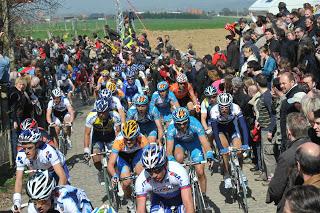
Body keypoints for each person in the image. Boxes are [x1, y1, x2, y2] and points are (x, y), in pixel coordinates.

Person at [12, 129, 69, 212]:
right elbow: (18, 180)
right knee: (38, 198)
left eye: (30, 148)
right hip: (40, 171)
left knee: (61, 200)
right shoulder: (21, 156)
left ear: (37, 144)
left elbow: (62, 177)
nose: (26, 152)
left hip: (55, 170)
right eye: (24, 148)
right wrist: (17, 202)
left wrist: (57, 199)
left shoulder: (47, 152)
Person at [166, 107, 214, 204]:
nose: (182, 126)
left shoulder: (195, 123)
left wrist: (209, 153)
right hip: (180, 144)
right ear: (175, 123)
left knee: (200, 172)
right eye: (179, 124)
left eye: (185, 123)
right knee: (178, 158)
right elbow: (169, 151)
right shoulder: (171, 128)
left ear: (188, 120)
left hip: (194, 144)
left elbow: (204, 142)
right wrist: (171, 161)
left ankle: (203, 196)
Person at [267, 113, 310, 212]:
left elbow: (275, 191)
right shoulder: (314, 148)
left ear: (289, 132)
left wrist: (274, 180)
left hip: (292, 205)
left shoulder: (287, 156)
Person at [135, 144, 194, 213]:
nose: (153, 175)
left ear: (165, 165)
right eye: (149, 171)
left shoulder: (178, 171)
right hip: (159, 200)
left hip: (180, 198)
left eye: (157, 170)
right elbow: (140, 210)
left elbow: (188, 204)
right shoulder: (141, 180)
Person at [210, 93, 250, 189]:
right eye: (222, 107)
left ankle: (240, 173)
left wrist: (246, 144)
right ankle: (226, 174)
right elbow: (215, 132)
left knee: (239, 150)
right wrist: (220, 148)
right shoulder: (214, 111)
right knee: (225, 150)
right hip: (220, 130)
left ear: (230, 105)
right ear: (218, 105)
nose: (224, 109)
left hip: (232, 128)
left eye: (226, 107)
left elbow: (243, 126)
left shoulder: (235, 108)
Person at [107, 120, 148, 211]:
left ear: (137, 136)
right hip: (123, 158)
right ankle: (130, 201)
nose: (128, 141)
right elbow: (110, 164)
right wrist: (114, 175)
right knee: (126, 181)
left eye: (131, 139)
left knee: (141, 172)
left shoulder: (142, 139)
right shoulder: (119, 141)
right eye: (126, 139)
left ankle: (147, 196)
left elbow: (148, 158)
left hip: (137, 155)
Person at [83, 98, 121, 184]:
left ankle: (116, 175)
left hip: (111, 137)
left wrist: (118, 147)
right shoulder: (91, 116)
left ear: (108, 110)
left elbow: (118, 133)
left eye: (103, 112)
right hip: (98, 138)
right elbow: (87, 134)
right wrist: (86, 150)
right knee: (96, 159)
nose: (101, 114)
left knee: (114, 159)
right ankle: (100, 171)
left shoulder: (115, 115)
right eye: (99, 112)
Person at [25, 170, 93, 213]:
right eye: (35, 202)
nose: (38, 206)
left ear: (51, 194)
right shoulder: (32, 206)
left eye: (42, 201)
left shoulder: (66, 199)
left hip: (80, 204)